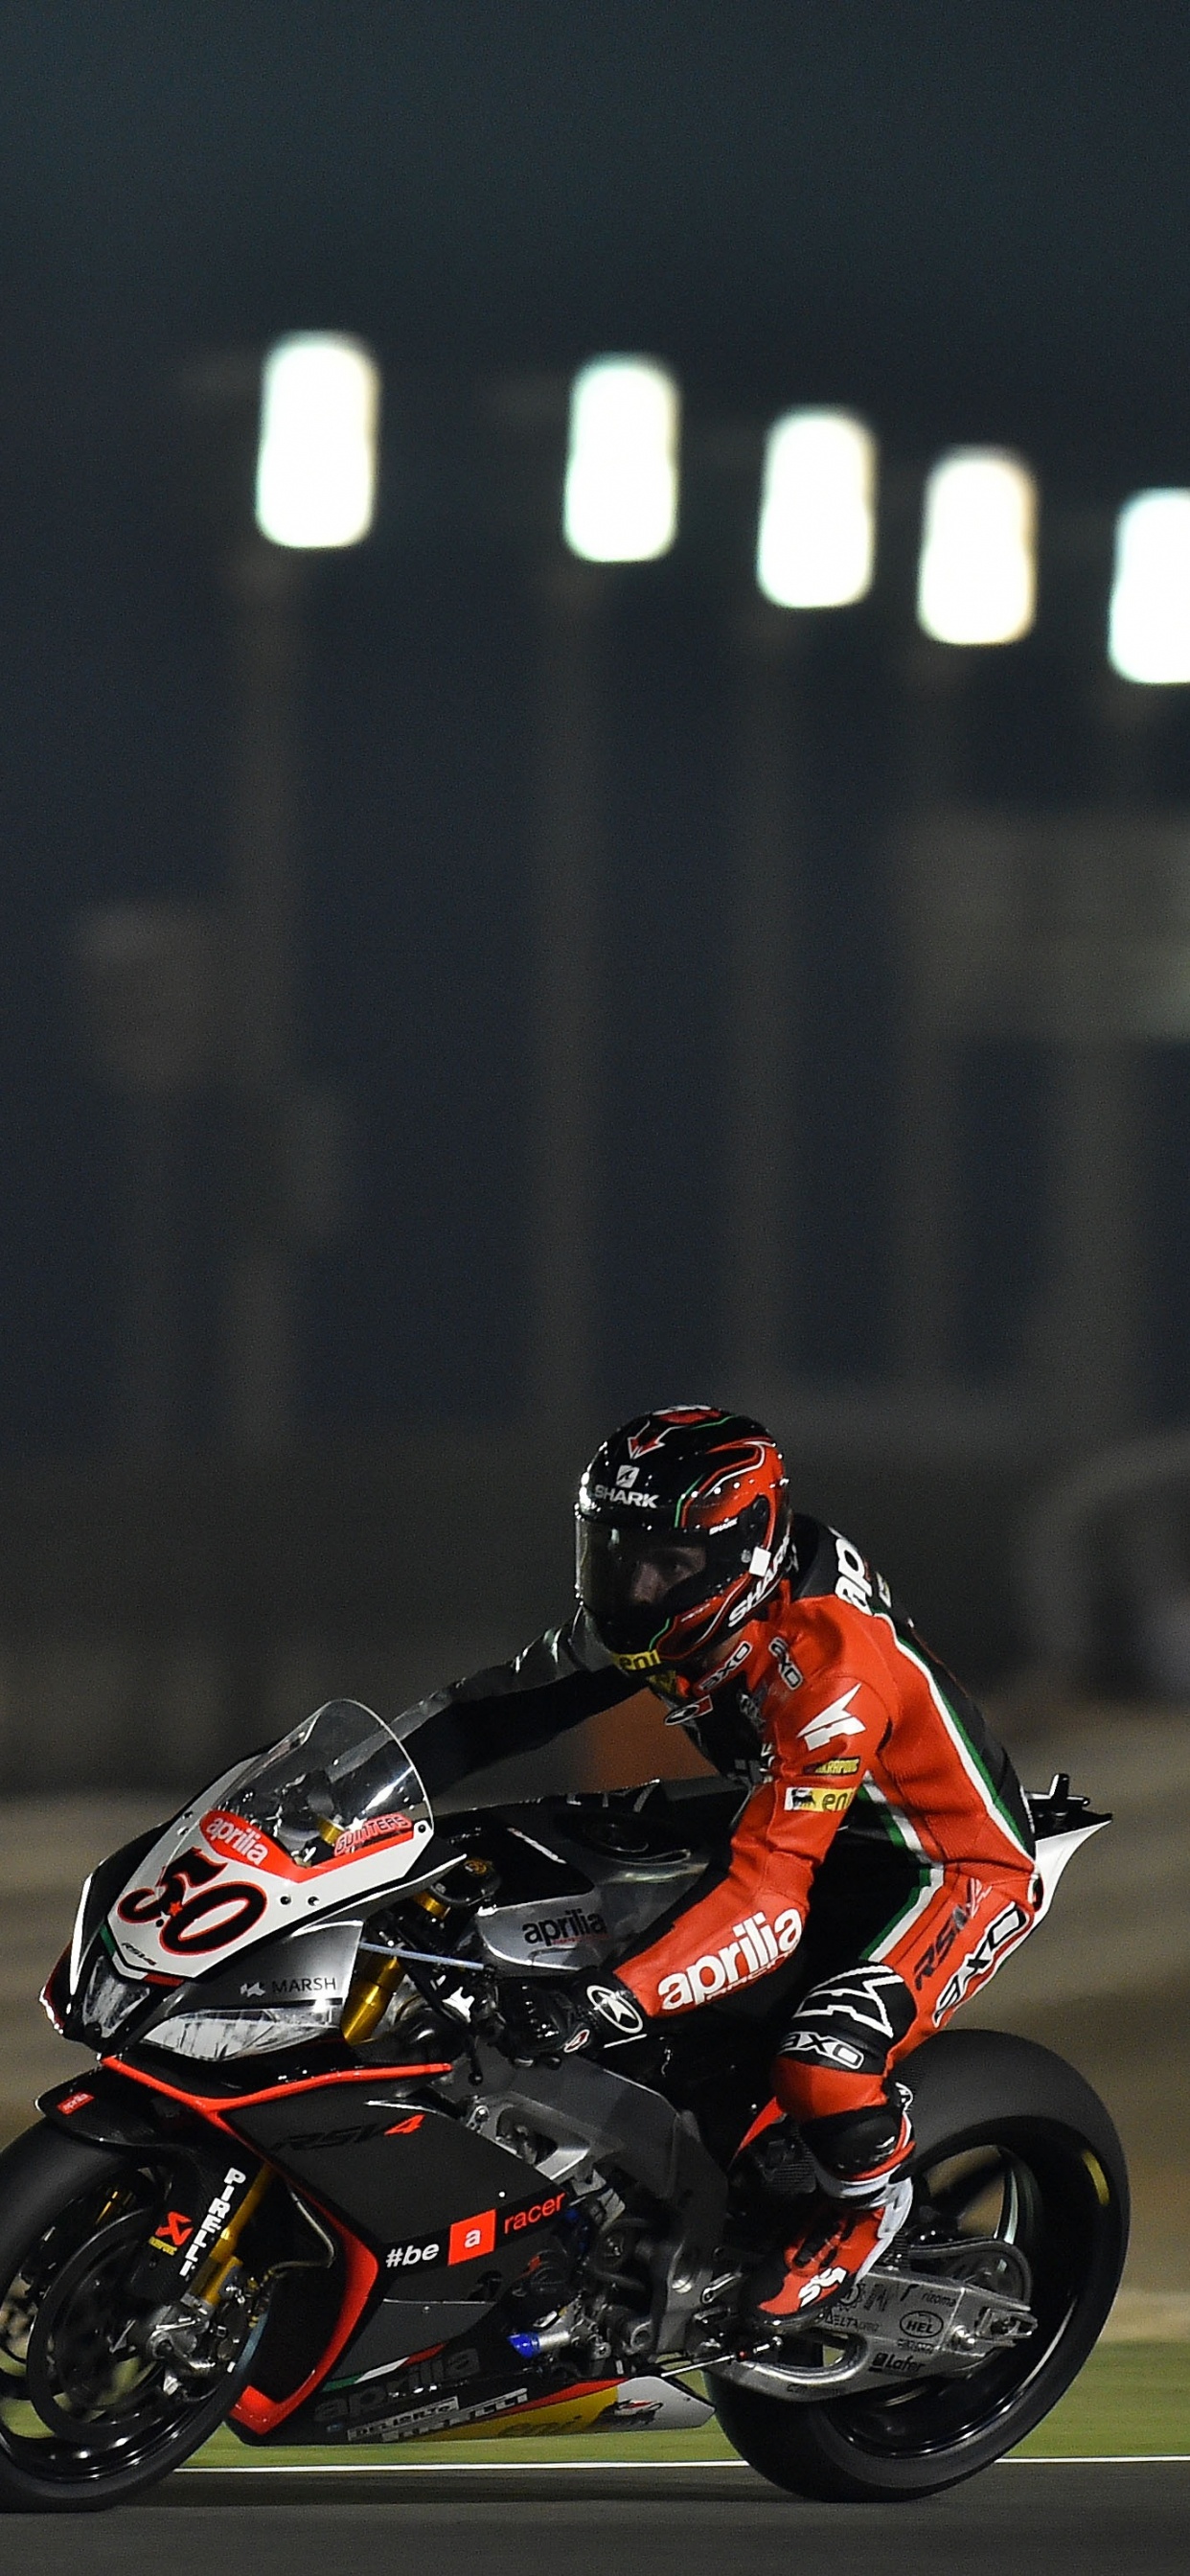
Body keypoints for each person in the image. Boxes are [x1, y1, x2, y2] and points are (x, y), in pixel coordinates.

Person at [397, 1406, 1040, 2324]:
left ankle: (866, 2213)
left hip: (937, 1865)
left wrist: (600, 2003)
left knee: (824, 2059)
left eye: (667, 1564)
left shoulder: (829, 1671)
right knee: (527, 1861)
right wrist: (336, 1794)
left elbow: (767, 1901)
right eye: (614, 1551)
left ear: (745, 1552)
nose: (635, 1585)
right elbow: (487, 1713)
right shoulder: (692, 1598)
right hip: (793, 1809)